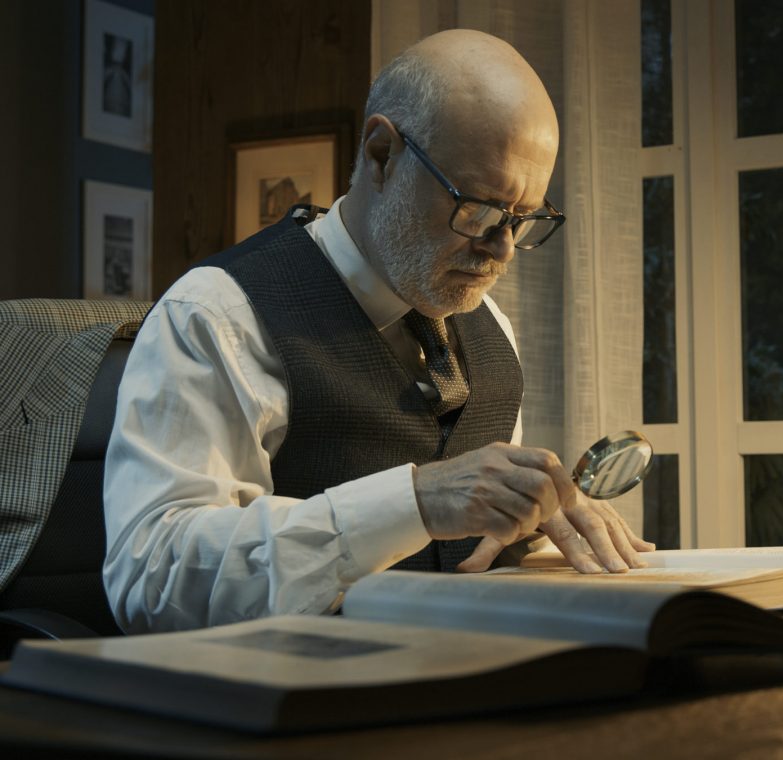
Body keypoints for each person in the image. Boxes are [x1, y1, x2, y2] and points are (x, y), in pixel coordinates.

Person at [103, 30, 653, 634]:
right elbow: (152, 578)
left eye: (524, 219)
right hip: (294, 708)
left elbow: (468, 548)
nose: (502, 249)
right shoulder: (217, 315)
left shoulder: (490, 326)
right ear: (382, 154)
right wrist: (414, 503)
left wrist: (531, 524)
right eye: (477, 207)